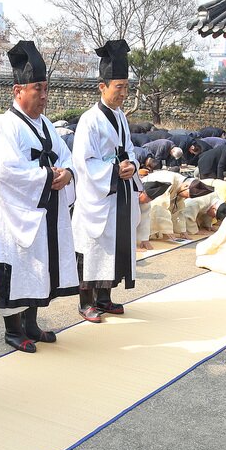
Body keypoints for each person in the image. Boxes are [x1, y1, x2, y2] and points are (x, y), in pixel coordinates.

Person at [0, 41, 80, 352]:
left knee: (39, 267)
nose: (43, 95)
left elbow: (67, 157)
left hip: (45, 210)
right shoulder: (4, 127)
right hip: (17, 213)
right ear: (18, 91)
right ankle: (14, 331)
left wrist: (67, 174)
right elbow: (5, 172)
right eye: (37, 88)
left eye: (45, 88)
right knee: (17, 265)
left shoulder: (47, 125)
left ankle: (32, 324)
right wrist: (45, 177)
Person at [72, 39, 142, 324]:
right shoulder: (89, 120)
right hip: (97, 195)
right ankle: (85, 302)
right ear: (102, 86)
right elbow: (83, 161)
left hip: (119, 192)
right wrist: (114, 170)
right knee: (91, 247)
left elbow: (131, 150)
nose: (123, 93)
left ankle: (105, 297)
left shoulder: (121, 117)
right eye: (119, 87)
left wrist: (132, 165)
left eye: (127, 87)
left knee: (113, 245)